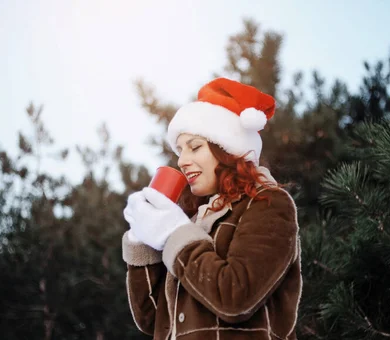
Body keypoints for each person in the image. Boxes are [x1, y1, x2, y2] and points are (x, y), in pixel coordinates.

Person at [122, 77, 302, 340]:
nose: (183, 160)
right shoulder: (196, 221)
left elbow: (235, 297)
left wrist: (176, 234)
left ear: (228, 150)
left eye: (195, 147)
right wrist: (143, 240)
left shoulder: (269, 204)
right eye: (180, 150)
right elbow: (154, 320)